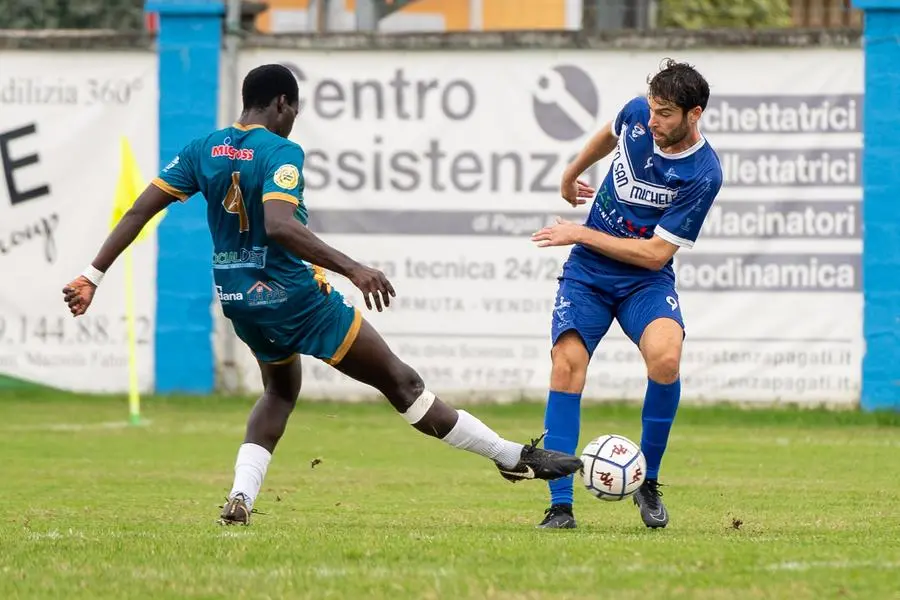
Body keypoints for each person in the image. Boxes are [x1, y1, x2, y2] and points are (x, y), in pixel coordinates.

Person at [62, 63, 582, 525]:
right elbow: (279, 225)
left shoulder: (203, 149)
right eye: (294, 109)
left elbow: (138, 210)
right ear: (282, 104)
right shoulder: (280, 150)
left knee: (280, 391)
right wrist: (355, 268)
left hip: (241, 302)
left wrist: (93, 274)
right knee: (404, 384)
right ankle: (513, 457)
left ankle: (241, 495)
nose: (294, 119)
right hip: (296, 299)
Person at [529, 59, 723, 529]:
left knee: (666, 359)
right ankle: (560, 506)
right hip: (588, 277)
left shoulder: (703, 174)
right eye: (652, 110)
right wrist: (570, 172)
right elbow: (610, 133)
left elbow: (656, 255)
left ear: (693, 114)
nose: (652, 121)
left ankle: (648, 482)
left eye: (665, 115)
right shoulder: (639, 114)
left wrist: (580, 233)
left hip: (643, 280)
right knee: (566, 364)